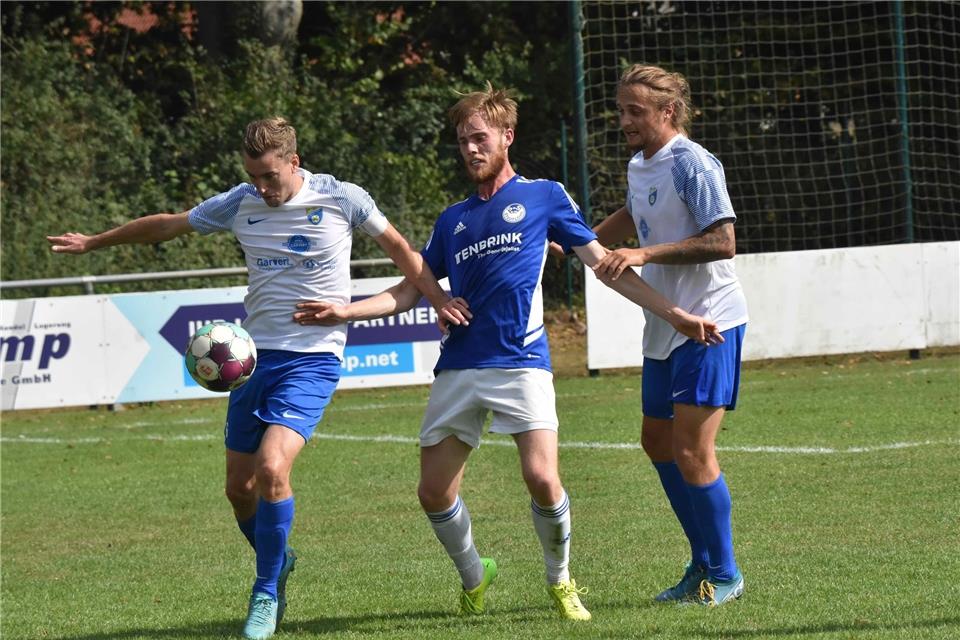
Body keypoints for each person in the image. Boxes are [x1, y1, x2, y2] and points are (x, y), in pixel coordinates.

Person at [294, 85, 723, 621]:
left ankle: (561, 581)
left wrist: (677, 315)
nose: (470, 149)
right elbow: (411, 288)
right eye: (462, 141)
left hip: (522, 363)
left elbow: (605, 266)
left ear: (506, 137)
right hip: (459, 367)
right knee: (432, 492)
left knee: (543, 479)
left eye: (479, 138)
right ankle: (475, 573)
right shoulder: (452, 220)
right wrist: (346, 310)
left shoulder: (544, 195)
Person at [46, 117, 465, 640]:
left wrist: (437, 301)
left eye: (270, 176)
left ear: (294, 161)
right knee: (239, 491)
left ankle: (266, 591)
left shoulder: (343, 198)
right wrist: (94, 243)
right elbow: (167, 225)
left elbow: (405, 254)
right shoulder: (239, 202)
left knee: (271, 468)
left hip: (312, 359)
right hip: (251, 361)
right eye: (253, 176)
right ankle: (279, 559)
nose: (262, 188)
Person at [591, 64, 749, 606]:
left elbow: (723, 241)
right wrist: (573, 241)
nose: (624, 121)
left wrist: (643, 253)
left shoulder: (693, 162)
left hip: (709, 320)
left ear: (669, 112)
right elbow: (634, 214)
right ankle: (701, 563)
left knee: (691, 450)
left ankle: (724, 573)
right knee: (656, 441)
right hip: (664, 322)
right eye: (621, 110)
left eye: (636, 111)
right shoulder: (640, 164)